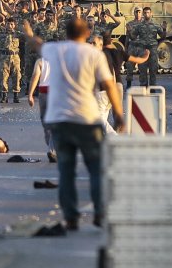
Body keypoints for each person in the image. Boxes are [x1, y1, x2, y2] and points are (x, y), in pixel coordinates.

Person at [23, 18, 123, 231]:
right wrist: (119, 113)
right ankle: (99, 211)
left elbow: (37, 44)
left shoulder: (55, 51)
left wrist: (29, 32)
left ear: (66, 33)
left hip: (60, 120)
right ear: (87, 34)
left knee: (66, 171)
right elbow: (109, 85)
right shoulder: (94, 54)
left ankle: (71, 217)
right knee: (95, 168)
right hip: (88, 118)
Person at [96, 32, 149, 131]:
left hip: (105, 85)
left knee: (101, 114)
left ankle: (111, 134)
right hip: (118, 84)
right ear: (111, 40)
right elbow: (137, 60)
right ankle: (117, 129)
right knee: (117, 111)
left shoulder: (101, 53)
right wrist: (146, 56)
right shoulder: (119, 52)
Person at [28, 56, 56, 162]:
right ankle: (52, 149)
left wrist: (30, 94)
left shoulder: (40, 61)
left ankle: (51, 147)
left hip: (43, 94)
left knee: (45, 122)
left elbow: (35, 76)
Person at [129, 7, 166, 86]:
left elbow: (162, 37)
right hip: (142, 49)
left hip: (152, 50)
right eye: (145, 13)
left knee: (153, 70)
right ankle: (143, 87)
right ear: (143, 14)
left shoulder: (156, 25)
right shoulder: (139, 25)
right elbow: (133, 37)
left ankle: (153, 88)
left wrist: (164, 29)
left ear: (151, 13)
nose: (146, 14)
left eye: (148, 12)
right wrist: (129, 31)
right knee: (142, 70)